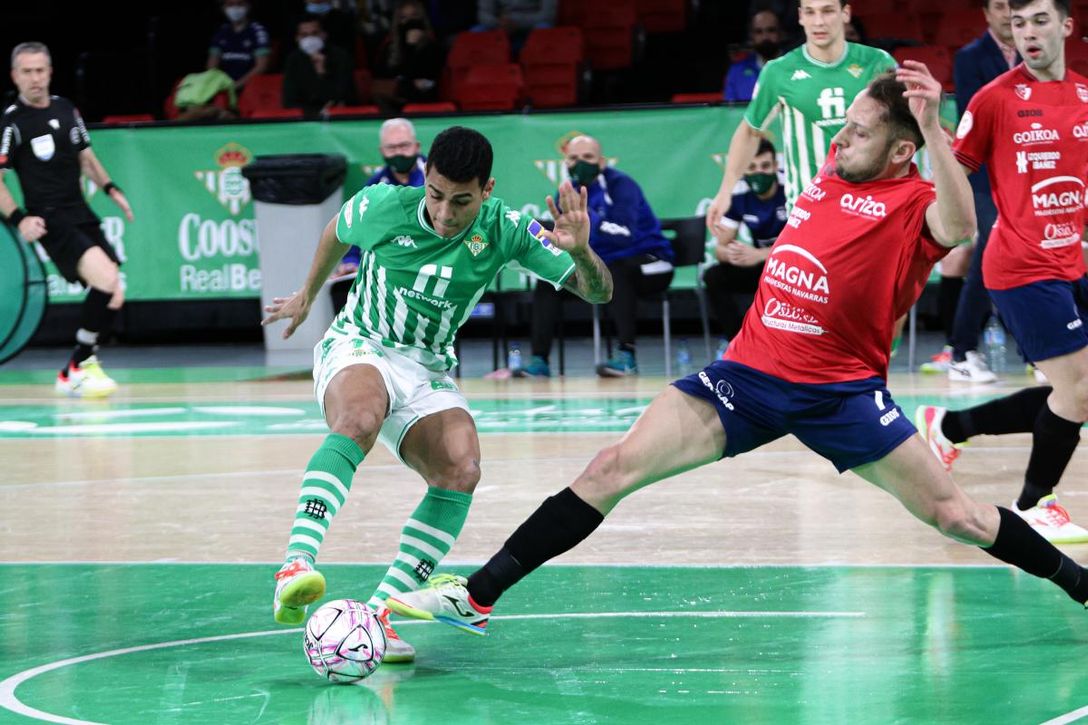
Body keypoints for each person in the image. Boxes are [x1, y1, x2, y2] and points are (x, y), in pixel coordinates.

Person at [386, 66, 1088, 639]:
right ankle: (476, 597)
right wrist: (756, 254)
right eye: (845, 125)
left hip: (840, 394)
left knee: (957, 517)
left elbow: (961, 225)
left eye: (860, 130)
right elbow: (815, 249)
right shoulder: (833, 173)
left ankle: (1080, 584)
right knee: (610, 468)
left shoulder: (915, 202)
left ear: (902, 149)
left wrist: (933, 127)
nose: (842, 136)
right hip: (746, 375)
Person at [262, 126, 612, 664]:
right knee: (359, 418)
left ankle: (378, 617)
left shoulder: (507, 229)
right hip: (362, 341)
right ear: (425, 178)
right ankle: (295, 564)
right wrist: (309, 293)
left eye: (462, 201)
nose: (446, 213)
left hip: (428, 366)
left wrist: (583, 253)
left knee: (461, 469)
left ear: (487, 190)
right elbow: (336, 230)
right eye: (436, 195)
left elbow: (598, 292)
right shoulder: (383, 204)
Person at [916, 0, 1088, 543]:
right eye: (1018, 23)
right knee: (1079, 389)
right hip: (1020, 266)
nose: (1027, 32)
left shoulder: (1085, 95)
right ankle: (1035, 503)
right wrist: (929, 128)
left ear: (1066, 25)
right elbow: (953, 174)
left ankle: (950, 425)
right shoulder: (995, 98)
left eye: (1039, 20)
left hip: (1073, 261)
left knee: (1076, 392)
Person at [0, 43, 134, 398]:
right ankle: (79, 368)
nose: (35, 78)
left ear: (50, 72)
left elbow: (85, 157)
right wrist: (20, 218)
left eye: (40, 70)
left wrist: (110, 188)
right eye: (27, 72)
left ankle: (74, 367)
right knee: (105, 278)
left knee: (115, 294)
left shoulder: (65, 108)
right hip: (49, 217)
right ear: (15, 76)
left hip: (80, 211)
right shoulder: (12, 121)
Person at [707, 0, 896, 225]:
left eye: (827, 11)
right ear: (800, 16)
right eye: (810, 12)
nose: (819, 21)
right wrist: (725, 192)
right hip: (808, 211)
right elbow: (749, 132)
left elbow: (903, 127)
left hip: (871, 206)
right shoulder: (778, 71)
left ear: (845, 13)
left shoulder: (878, 62)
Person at [516, 134, 674, 378]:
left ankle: (627, 356)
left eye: (587, 157)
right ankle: (539, 360)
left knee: (616, 270)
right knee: (550, 280)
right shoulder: (566, 194)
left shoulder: (621, 185)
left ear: (601, 162)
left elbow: (625, 235)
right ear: (566, 163)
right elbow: (571, 241)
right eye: (573, 158)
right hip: (605, 262)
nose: (580, 163)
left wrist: (588, 219)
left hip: (650, 260)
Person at [922, 0, 1020, 382]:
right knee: (990, 251)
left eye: (1013, 6)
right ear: (986, 13)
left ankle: (1038, 351)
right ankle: (962, 351)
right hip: (983, 176)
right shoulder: (970, 58)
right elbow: (976, 120)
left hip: (1026, 173)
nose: (1007, 13)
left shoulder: (1034, 53)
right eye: (1000, 6)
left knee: (1029, 252)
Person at [329, 117, 426, 313]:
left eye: (404, 146)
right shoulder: (374, 186)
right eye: (391, 148)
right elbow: (358, 228)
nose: (398, 152)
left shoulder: (436, 175)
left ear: (416, 146)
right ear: (382, 151)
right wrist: (351, 261)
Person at [702, 138, 787, 345]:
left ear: (776, 165)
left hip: (792, 266)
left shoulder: (791, 187)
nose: (759, 173)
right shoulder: (738, 191)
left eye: (765, 166)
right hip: (762, 266)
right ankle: (738, 343)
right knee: (714, 276)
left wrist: (760, 254)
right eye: (752, 167)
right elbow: (720, 248)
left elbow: (808, 243)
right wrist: (731, 254)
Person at [372, 0, 444, 113]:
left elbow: (428, 76)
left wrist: (413, 47)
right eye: (404, 17)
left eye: (414, 16)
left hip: (423, 97)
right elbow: (383, 75)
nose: (409, 21)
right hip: (395, 96)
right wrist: (407, 47)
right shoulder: (390, 47)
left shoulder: (432, 46)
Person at [283, 14, 356, 115]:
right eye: (304, 35)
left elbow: (344, 97)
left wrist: (322, 73)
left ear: (324, 35)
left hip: (337, 115)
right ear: (297, 38)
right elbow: (289, 101)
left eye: (314, 33)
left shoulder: (340, 56)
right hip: (305, 116)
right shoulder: (293, 60)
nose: (310, 39)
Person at [207, 0, 271, 93]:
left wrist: (236, 85)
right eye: (230, 4)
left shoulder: (257, 31)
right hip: (222, 86)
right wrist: (218, 85)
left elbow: (262, 66)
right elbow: (212, 65)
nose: (235, 8)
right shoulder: (221, 32)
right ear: (223, 8)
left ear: (248, 6)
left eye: (240, 4)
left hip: (249, 88)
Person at [724, 6, 783, 103]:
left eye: (771, 30)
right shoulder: (736, 71)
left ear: (781, 33)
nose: (765, 37)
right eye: (759, 32)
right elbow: (729, 109)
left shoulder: (796, 68)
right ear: (752, 36)